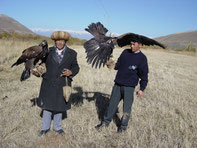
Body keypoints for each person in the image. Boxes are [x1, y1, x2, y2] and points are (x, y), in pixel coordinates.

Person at [95, 40, 149, 133]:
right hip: (118, 84)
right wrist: (110, 63)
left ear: (140, 45)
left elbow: (144, 75)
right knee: (111, 105)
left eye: (133, 44)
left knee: (126, 108)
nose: (131, 46)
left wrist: (141, 89)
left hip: (129, 87)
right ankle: (105, 123)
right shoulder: (125, 52)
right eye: (130, 44)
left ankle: (123, 127)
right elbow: (118, 66)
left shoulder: (142, 58)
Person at [34, 31, 80, 136]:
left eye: (62, 40)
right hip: (48, 82)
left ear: (65, 41)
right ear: (54, 41)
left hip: (63, 83)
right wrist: (37, 69)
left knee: (60, 106)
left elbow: (76, 67)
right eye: (57, 40)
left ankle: (57, 127)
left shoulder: (72, 53)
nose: (59, 42)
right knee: (47, 106)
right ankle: (45, 128)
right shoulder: (47, 51)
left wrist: (71, 72)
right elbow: (39, 63)